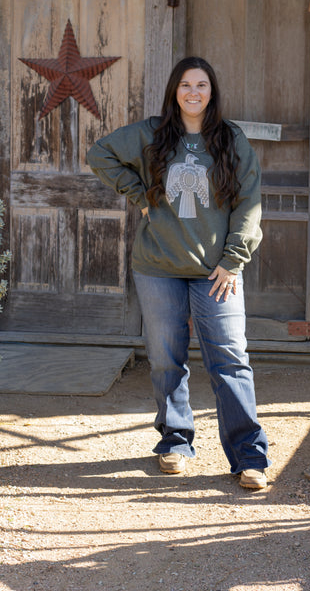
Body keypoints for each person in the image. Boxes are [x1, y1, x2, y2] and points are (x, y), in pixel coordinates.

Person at [87, 56, 271, 489]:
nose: (193, 92)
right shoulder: (151, 135)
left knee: (230, 361)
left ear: (212, 91)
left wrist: (233, 259)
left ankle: (249, 457)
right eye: (185, 84)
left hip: (217, 272)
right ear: (175, 90)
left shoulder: (230, 139)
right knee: (167, 360)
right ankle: (175, 441)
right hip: (158, 267)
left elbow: (250, 203)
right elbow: (100, 154)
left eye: (202, 84)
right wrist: (138, 194)